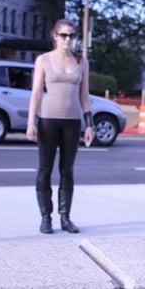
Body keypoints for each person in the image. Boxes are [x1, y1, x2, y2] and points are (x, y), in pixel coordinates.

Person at [26, 19, 95, 234]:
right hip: (48, 120)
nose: (68, 40)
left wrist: (89, 125)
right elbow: (36, 93)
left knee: (67, 170)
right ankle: (46, 217)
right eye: (64, 35)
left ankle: (65, 218)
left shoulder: (81, 62)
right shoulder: (43, 60)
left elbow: (84, 96)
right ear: (55, 36)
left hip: (72, 122)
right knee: (45, 169)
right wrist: (31, 122)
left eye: (72, 36)